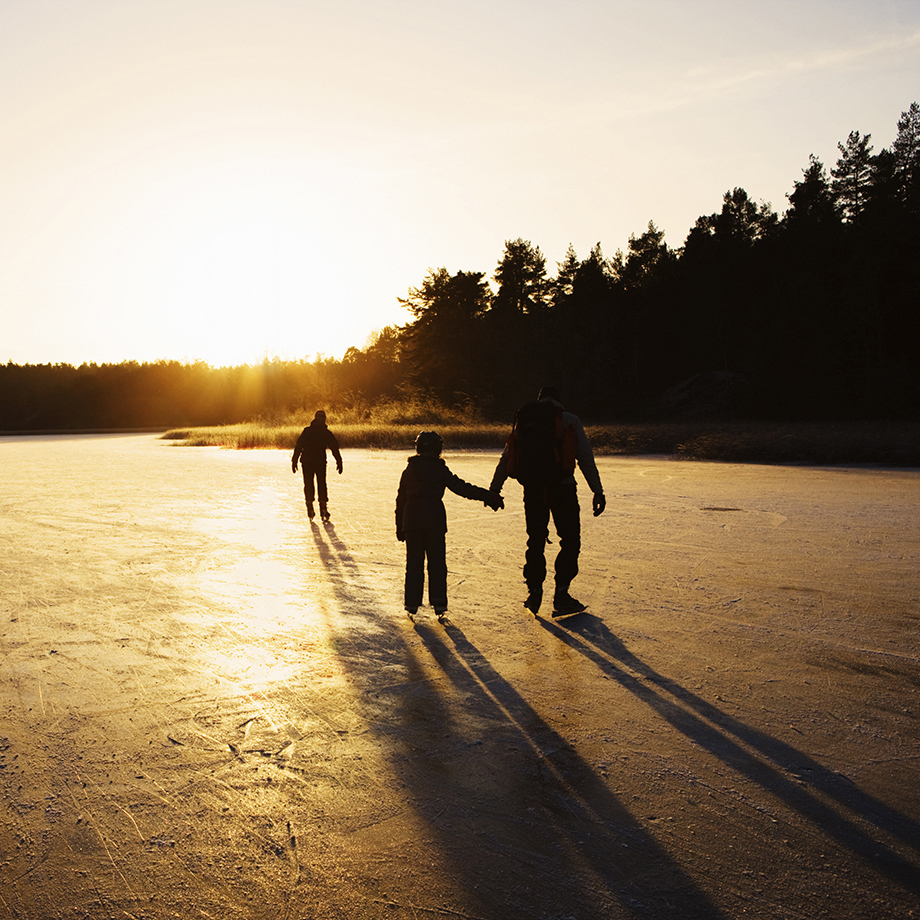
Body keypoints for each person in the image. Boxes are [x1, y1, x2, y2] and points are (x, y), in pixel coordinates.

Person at [490, 386, 605, 617]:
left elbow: (508, 456)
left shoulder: (523, 421)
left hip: (533, 490)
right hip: (562, 488)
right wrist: (597, 490)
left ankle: (534, 591)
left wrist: (495, 488)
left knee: (535, 540)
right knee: (570, 539)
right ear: (559, 399)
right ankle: (562, 593)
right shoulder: (568, 420)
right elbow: (584, 457)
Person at [396, 430, 503, 619]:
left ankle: (412, 603)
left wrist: (400, 526)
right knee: (437, 564)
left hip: (411, 521)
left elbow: (400, 499)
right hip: (434, 521)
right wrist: (487, 496)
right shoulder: (439, 469)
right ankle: (439, 603)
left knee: (413, 564)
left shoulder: (409, 470)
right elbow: (462, 488)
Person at [292, 410, 343, 521]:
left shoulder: (308, 431)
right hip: (318, 461)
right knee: (320, 484)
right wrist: (339, 461)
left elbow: (299, 446)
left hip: (308, 461)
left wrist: (294, 460)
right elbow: (334, 446)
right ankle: (320, 508)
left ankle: (312, 507)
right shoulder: (324, 432)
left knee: (310, 484)